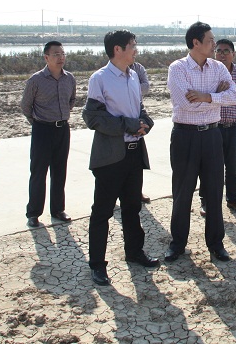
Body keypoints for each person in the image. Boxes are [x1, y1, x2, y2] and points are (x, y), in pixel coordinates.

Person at [82, 30, 159, 286]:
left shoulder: (134, 75)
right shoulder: (100, 78)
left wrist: (145, 122)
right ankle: (97, 265)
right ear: (118, 49)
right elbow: (92, 117)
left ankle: (134, 252)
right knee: (102, 211)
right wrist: (128, 124)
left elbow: (139, 109)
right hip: (110, 156)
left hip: (134, 153)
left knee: (132, 207)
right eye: (132, 45)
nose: (136, 50)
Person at [164, 22, 236, 263]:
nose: (214, 44)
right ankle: (177, 244)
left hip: (212, 136)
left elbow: (233, 96)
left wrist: (206, 96)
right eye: (210, 40)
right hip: (185, 136)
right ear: (196, 43)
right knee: (182, 192)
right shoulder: (178, 68)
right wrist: (217, 96)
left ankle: (216, 244)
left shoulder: (218, 67)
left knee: (215, 192)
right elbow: (186, 104)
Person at [198, 39, 236, 216]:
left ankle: (233, 200)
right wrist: (217, 93)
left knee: (232, 167)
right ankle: (206, 201)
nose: (222, 54)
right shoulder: (210, 71)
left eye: (226, 51)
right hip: (214, 127)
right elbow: (203, 95)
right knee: (209, 166)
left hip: (233, 127)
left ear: (233, 54)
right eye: (219, 51)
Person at [21, 41, 77, 228]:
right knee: (38, 172)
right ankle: (33, 213)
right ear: (46, 57)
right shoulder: (36, 80)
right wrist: (38, 122)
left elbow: (71, 101)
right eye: (56, 54)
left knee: (60, 171)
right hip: (42, 130)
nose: (61, 57)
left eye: (62, 53)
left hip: (62, 129)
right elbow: (26, 106)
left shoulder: (69, 78)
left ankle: (58, 209)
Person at [130, 61, 153, 204]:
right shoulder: (105, 73)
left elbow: (146, 87)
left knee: (136, 161)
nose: (134, 52)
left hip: (136, 114)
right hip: (116, 121)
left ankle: (137, 191)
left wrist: (129, 86)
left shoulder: (138, 68)